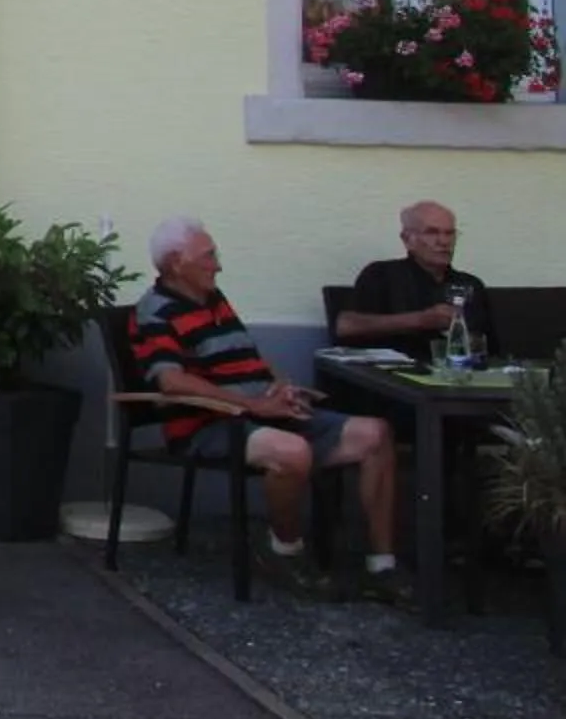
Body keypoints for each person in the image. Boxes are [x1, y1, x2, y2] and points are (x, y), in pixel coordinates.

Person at [132, 216, 404, 601]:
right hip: (208, 424)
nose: (219, 264)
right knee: (291, 452)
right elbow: (171, 382)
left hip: (261, 413)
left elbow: (249, 359)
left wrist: (282, 387)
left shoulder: (213, 299)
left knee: (375, 434)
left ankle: (383, 566)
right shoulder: (155, 311)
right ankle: (284, 551)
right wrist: (254, 403)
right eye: (209, 256)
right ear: (177, 262)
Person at [336, 202, 496, 364]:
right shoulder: (381, 274)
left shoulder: (470, 284)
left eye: (449, 233)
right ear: (407, 240)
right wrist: (421, 320)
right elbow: (346, 326)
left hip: (459, 375)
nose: (443, 241)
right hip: (392, 377)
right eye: (431, 232)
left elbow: (491, 348)